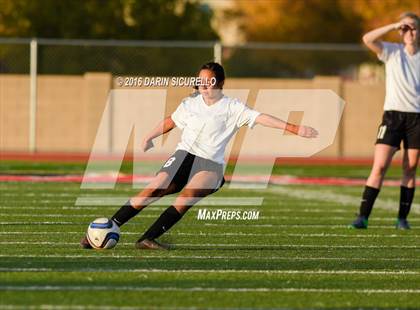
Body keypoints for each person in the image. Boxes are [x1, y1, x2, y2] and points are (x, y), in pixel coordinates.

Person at [81, 61, 318, 249]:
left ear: (221, 82)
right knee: (154, 187)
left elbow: (262, 117)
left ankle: (147, 238)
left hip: (211, 164)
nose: (204, 85)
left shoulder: (232, 107)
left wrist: (294, 128)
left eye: (209, 81)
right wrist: (149, 136)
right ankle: (102, 231)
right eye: (201, 80)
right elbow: (171, 121)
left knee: (187, 195)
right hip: (184, 155)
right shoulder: (190, 103)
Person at [350, 12, 419, 229]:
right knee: (379, 166)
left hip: (416, 117)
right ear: (400, 31)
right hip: (392, 116)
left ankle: (402, 219)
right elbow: (367, 39)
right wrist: (393, 24)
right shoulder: (391, 51)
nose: (409, 32)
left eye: (413, 28)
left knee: (410, 168)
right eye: (405, 29)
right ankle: (363, 217)